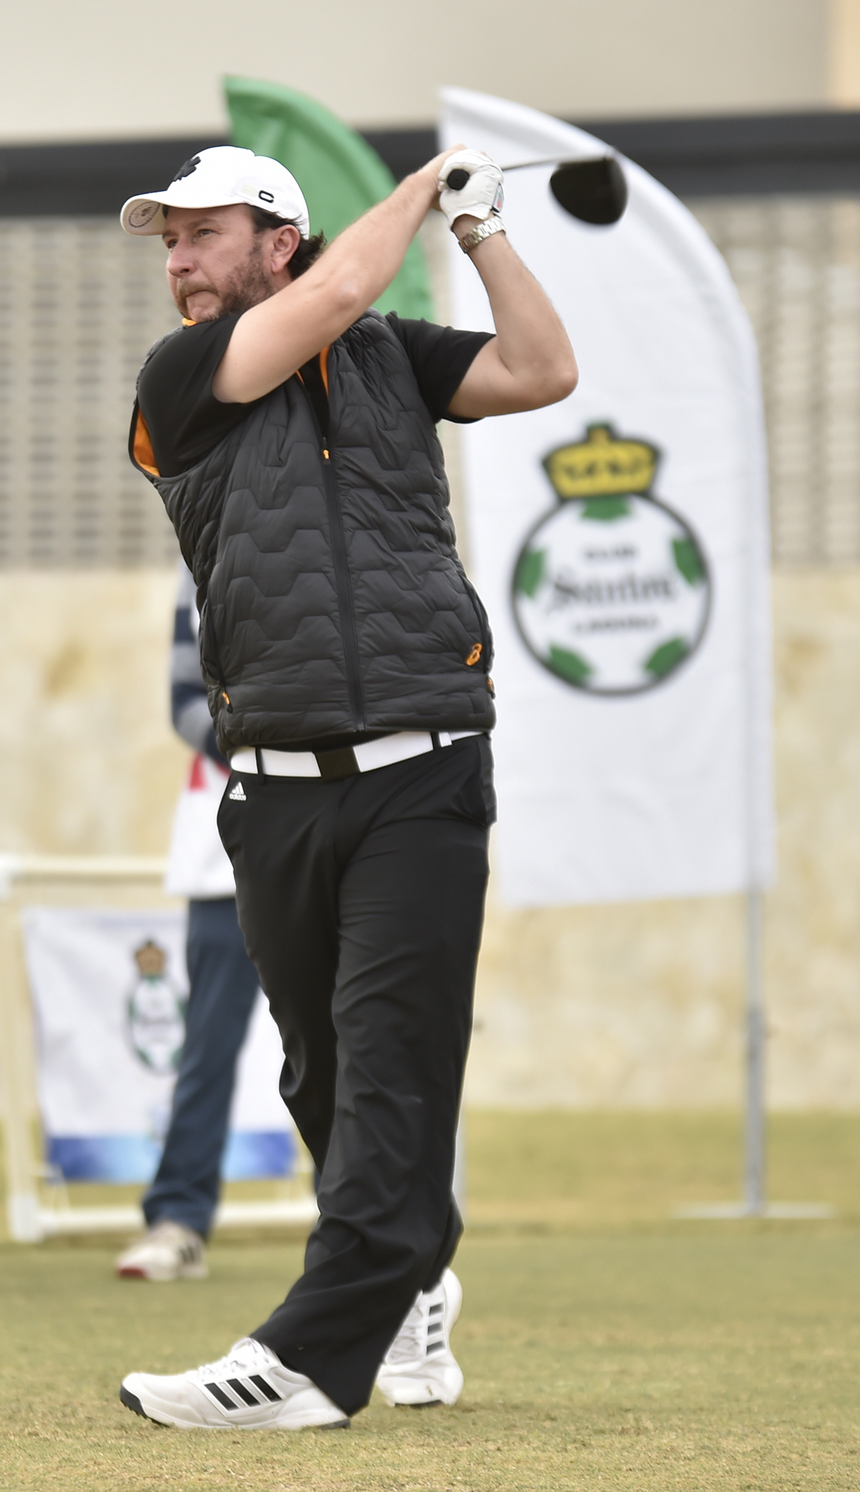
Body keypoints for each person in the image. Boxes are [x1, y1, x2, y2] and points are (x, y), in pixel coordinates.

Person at [116, 145, 575, 1427]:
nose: (177, 261)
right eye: (168, 242)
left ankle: (316, 1357)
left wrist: (481, 228)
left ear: (277, 235)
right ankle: (416, 1274)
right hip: (271, 790)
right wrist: (426, 183)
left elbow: (544, 368)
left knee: (389, 1062)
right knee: (318, 1070)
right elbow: (325, 301)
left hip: (426, 765)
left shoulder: (388, 352)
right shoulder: (182, 380)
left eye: (200, 234)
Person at [114, 560, 272, 1283]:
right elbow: (186, 701)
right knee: (207, 1041)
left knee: (360, 1032)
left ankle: (376, 1226)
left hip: (349, 825)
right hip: (225, 841)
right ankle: (178, 1219)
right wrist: (271, 751)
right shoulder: (200, 551)